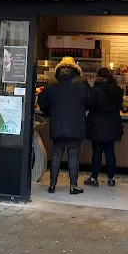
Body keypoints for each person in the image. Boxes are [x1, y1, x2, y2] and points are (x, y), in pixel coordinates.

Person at [37, 56, 94, 195]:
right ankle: (73, 186)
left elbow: (42, 101)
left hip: (57, 124)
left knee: (56, 154)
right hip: (76, 125)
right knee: (73, 155)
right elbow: (91, 101)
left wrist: (51, 111)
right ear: (75, 67)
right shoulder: (81, 82)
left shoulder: (52, 81)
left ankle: (52, 185)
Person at [84, 67, 123, 187]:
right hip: (112, 124)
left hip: (98, 125)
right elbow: (120, 106)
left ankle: (94, 178)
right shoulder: (117, 90)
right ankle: (111, 178)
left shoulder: (95, 90)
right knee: (110, 152)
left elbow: (89, 105)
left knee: (97, 152)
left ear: (98, 77)